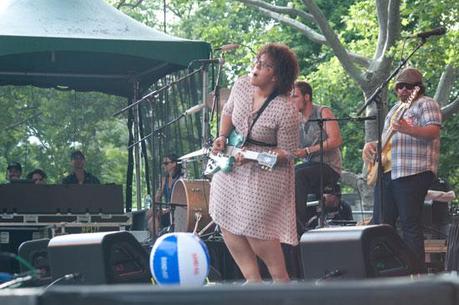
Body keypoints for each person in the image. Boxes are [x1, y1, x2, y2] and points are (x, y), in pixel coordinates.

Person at [209, 43, 300, 283]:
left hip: (265, 172)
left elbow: (288, 152)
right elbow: (227, 112)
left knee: (255, 226)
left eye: (264, 65)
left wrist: (255, 156)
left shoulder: (286, 109)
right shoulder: (240, 86)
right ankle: (252, 280)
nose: (255, 68)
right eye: (256, 62)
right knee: (223, 213)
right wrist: (221, 137)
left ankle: (282, 282)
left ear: (276, 75)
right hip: (232, 163)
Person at [362, 67, 441, 270]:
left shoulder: (426, 103)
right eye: (399, 86)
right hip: (387, 172)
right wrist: (370, 146)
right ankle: (388, 270)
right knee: (381, 224)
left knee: (409, 223)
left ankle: (416, 273)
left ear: (418, 88)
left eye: (409, 86)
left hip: (413, 171)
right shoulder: (394, 110)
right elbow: (386, 142)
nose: (403, 90)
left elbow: (433, 131)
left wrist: (409, 129)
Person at [290, 80, 343, 233]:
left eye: (295, 97)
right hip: (308, 168)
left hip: (328, 167)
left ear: (307, 97)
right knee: (288, 173)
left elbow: (336, 140)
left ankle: (298, 225)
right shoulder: (295, 120)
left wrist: (307, 151)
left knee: (297, 174)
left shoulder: (322, 112)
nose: (291, 101)